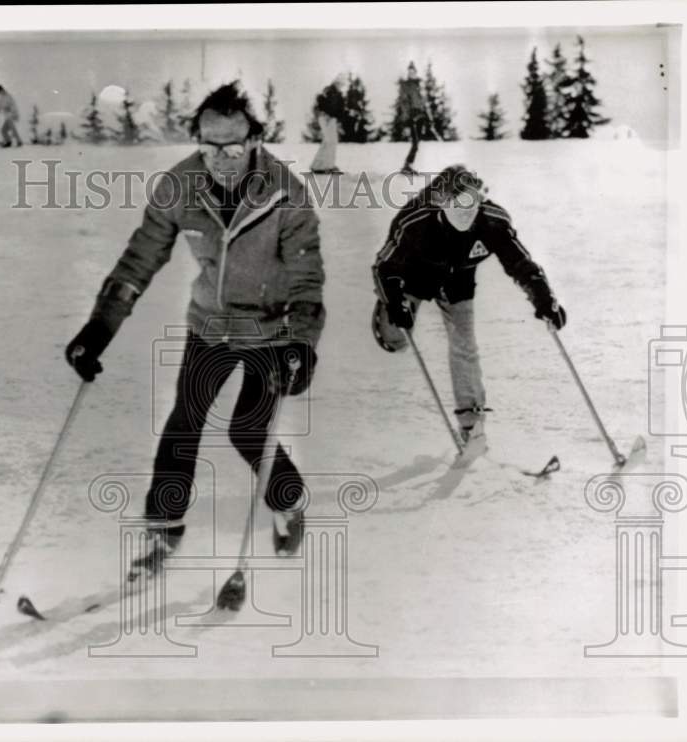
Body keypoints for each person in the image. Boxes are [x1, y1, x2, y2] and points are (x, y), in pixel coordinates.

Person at [65, 82, 326, 580]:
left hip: (270, 329)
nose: (222, 158)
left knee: (249, 430)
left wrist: (302, 342)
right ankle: (162, 533)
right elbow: (139, 259)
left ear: (253, 139)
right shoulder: (179, 186)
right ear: (197, 141)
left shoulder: (286, 192)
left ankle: (289, 504)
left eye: (233, 146)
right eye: (210, 146)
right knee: (184, 423)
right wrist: (97, 330)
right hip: (209, 325)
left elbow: (306, 275)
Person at [371, 164, 567, 447]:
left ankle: (471, 425)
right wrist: (394, 301)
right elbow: (384, 266)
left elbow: (521, 264)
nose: (466, 209)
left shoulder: (493, 222)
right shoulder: (415, 221)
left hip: (458, 281)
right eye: (457, 202)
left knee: (465, 344)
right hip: (414, 276)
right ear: (442, 202)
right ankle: (395, 320)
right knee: (394, 338)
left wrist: (544, 299)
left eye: (473, 201)